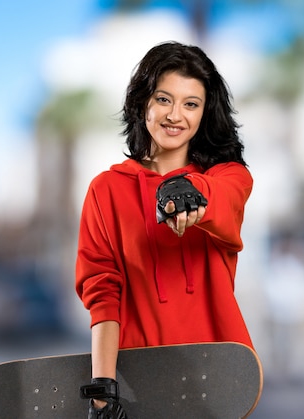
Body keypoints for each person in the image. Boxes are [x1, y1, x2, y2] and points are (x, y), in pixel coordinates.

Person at [75, 41, 254, 418]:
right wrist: (104, 389)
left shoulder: (228, 178)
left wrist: (191, 193)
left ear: (205, 114)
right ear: (143, 104)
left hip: (217, 375)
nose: (176, 115)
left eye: (191, 104)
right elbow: (102, 292)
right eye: (163, 99)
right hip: (139, 380)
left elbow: (223, 201)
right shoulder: (105, 190)